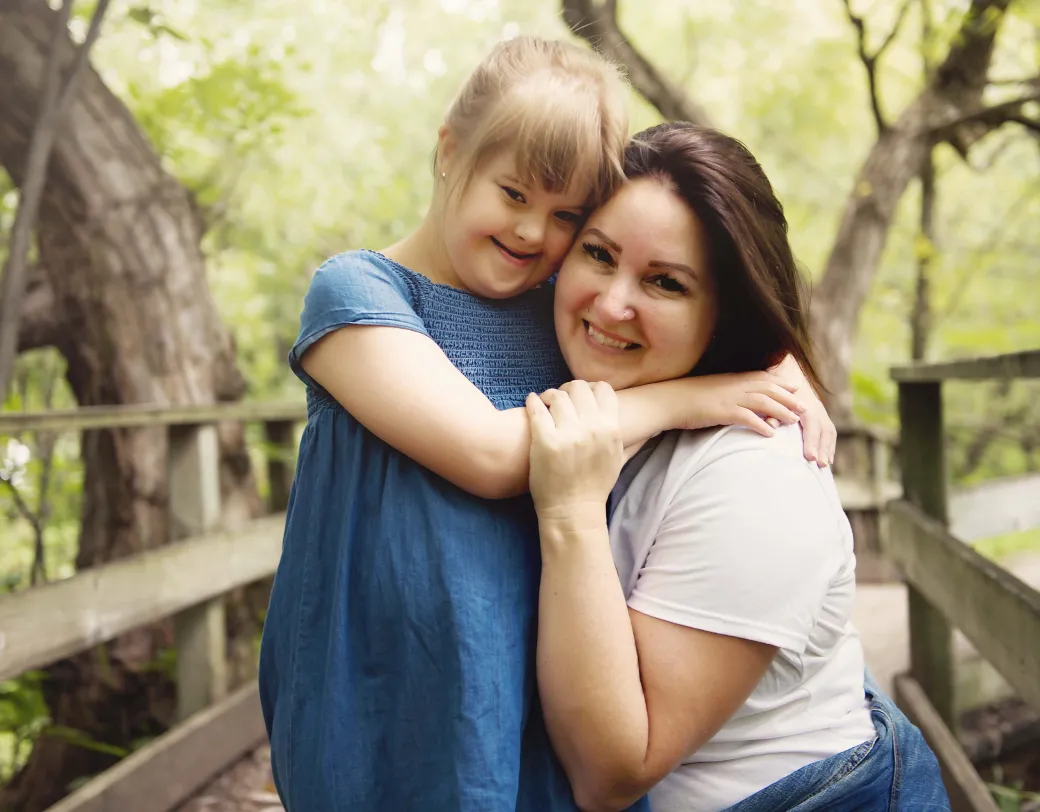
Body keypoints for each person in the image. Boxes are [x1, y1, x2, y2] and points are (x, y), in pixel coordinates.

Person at [259, 37, 833, 812]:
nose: (534, 233)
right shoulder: (360, 296)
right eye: (515, 194)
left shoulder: (559, 303)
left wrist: (774, 365)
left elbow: (674, 299)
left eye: (567, 214)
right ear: (450, 149)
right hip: (383, 664)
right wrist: (688, 400)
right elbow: (495, 455)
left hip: (515, 658)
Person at [522, 122, 950, 812]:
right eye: (598, 255)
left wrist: (569, 511)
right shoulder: (622, 393)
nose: (611, 304)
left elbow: (611, 770)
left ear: (725, 314)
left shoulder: (758, 475)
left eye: (666, 282)